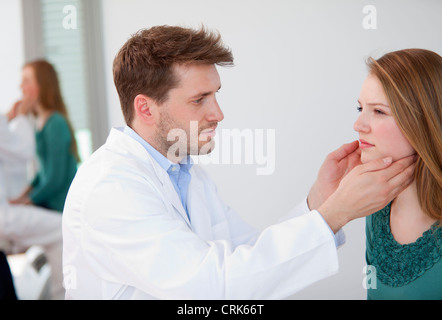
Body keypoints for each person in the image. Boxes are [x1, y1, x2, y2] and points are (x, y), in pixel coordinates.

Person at [62, 25, 416, 300]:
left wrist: (320, 201)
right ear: (146, 108)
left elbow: (245, 254)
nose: (218, 113)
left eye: (216, 95)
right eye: (200, 99)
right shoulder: (110, 188)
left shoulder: (186, 174)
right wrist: (335, 215)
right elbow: (212, 288)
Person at [355, 49, 441, 299]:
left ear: (424, 120)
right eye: (359, 108)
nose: (358, 125)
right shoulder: (376, 207)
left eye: (379, 111)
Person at [10, 60, 79, 213]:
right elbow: (42, 173)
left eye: (26, 81)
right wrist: (22, 196)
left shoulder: (55, 123)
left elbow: (55, 178)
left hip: (60, 205)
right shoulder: (39, 121)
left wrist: (29, 201)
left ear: (42, 85)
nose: (21, 87)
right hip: (48, 203)